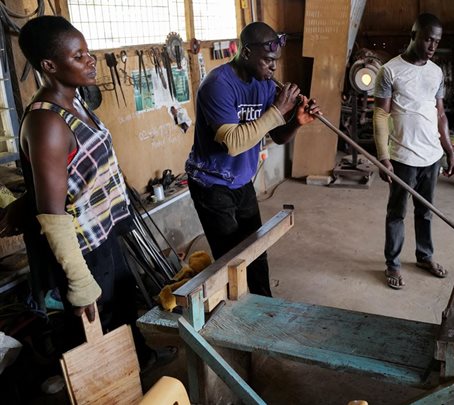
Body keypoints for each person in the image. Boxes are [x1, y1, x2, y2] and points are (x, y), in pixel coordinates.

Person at [16, 16, 157, 366]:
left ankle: (142, 363)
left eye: (87, 52)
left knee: (124, 306)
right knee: (97, 329)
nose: (90, 60)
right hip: (81, 247)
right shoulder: (47, 122)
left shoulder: (75, 102)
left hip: (102, 232)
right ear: (49, 66)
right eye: (78, 56)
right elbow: (53, 214)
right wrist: (79, 279)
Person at [185, 22, 321, 296]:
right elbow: (234, 144)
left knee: (256, 250)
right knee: (231, 260)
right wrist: (278, 109)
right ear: (246, 53)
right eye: (268, 60)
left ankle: (264, 306)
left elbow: (278, 135)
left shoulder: (264, 84)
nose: (273, 68)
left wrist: (296, 121)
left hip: (241, 180)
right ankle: (235, 319)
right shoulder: (217, 86)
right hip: (211, 183)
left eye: (275, 62)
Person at [373, 13, 454, 290]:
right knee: (397, 213)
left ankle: (425, 256)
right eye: (428, 39)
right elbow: (380, 116)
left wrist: (449, 149)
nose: (432, 46)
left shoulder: (436, 72)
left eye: (437, 41)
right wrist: (383, 156)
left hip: (431, 156)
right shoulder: (389, 71)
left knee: (426, 211)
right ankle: (393, 263)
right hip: (402, 157)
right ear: (414, 36)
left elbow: (440, 114)